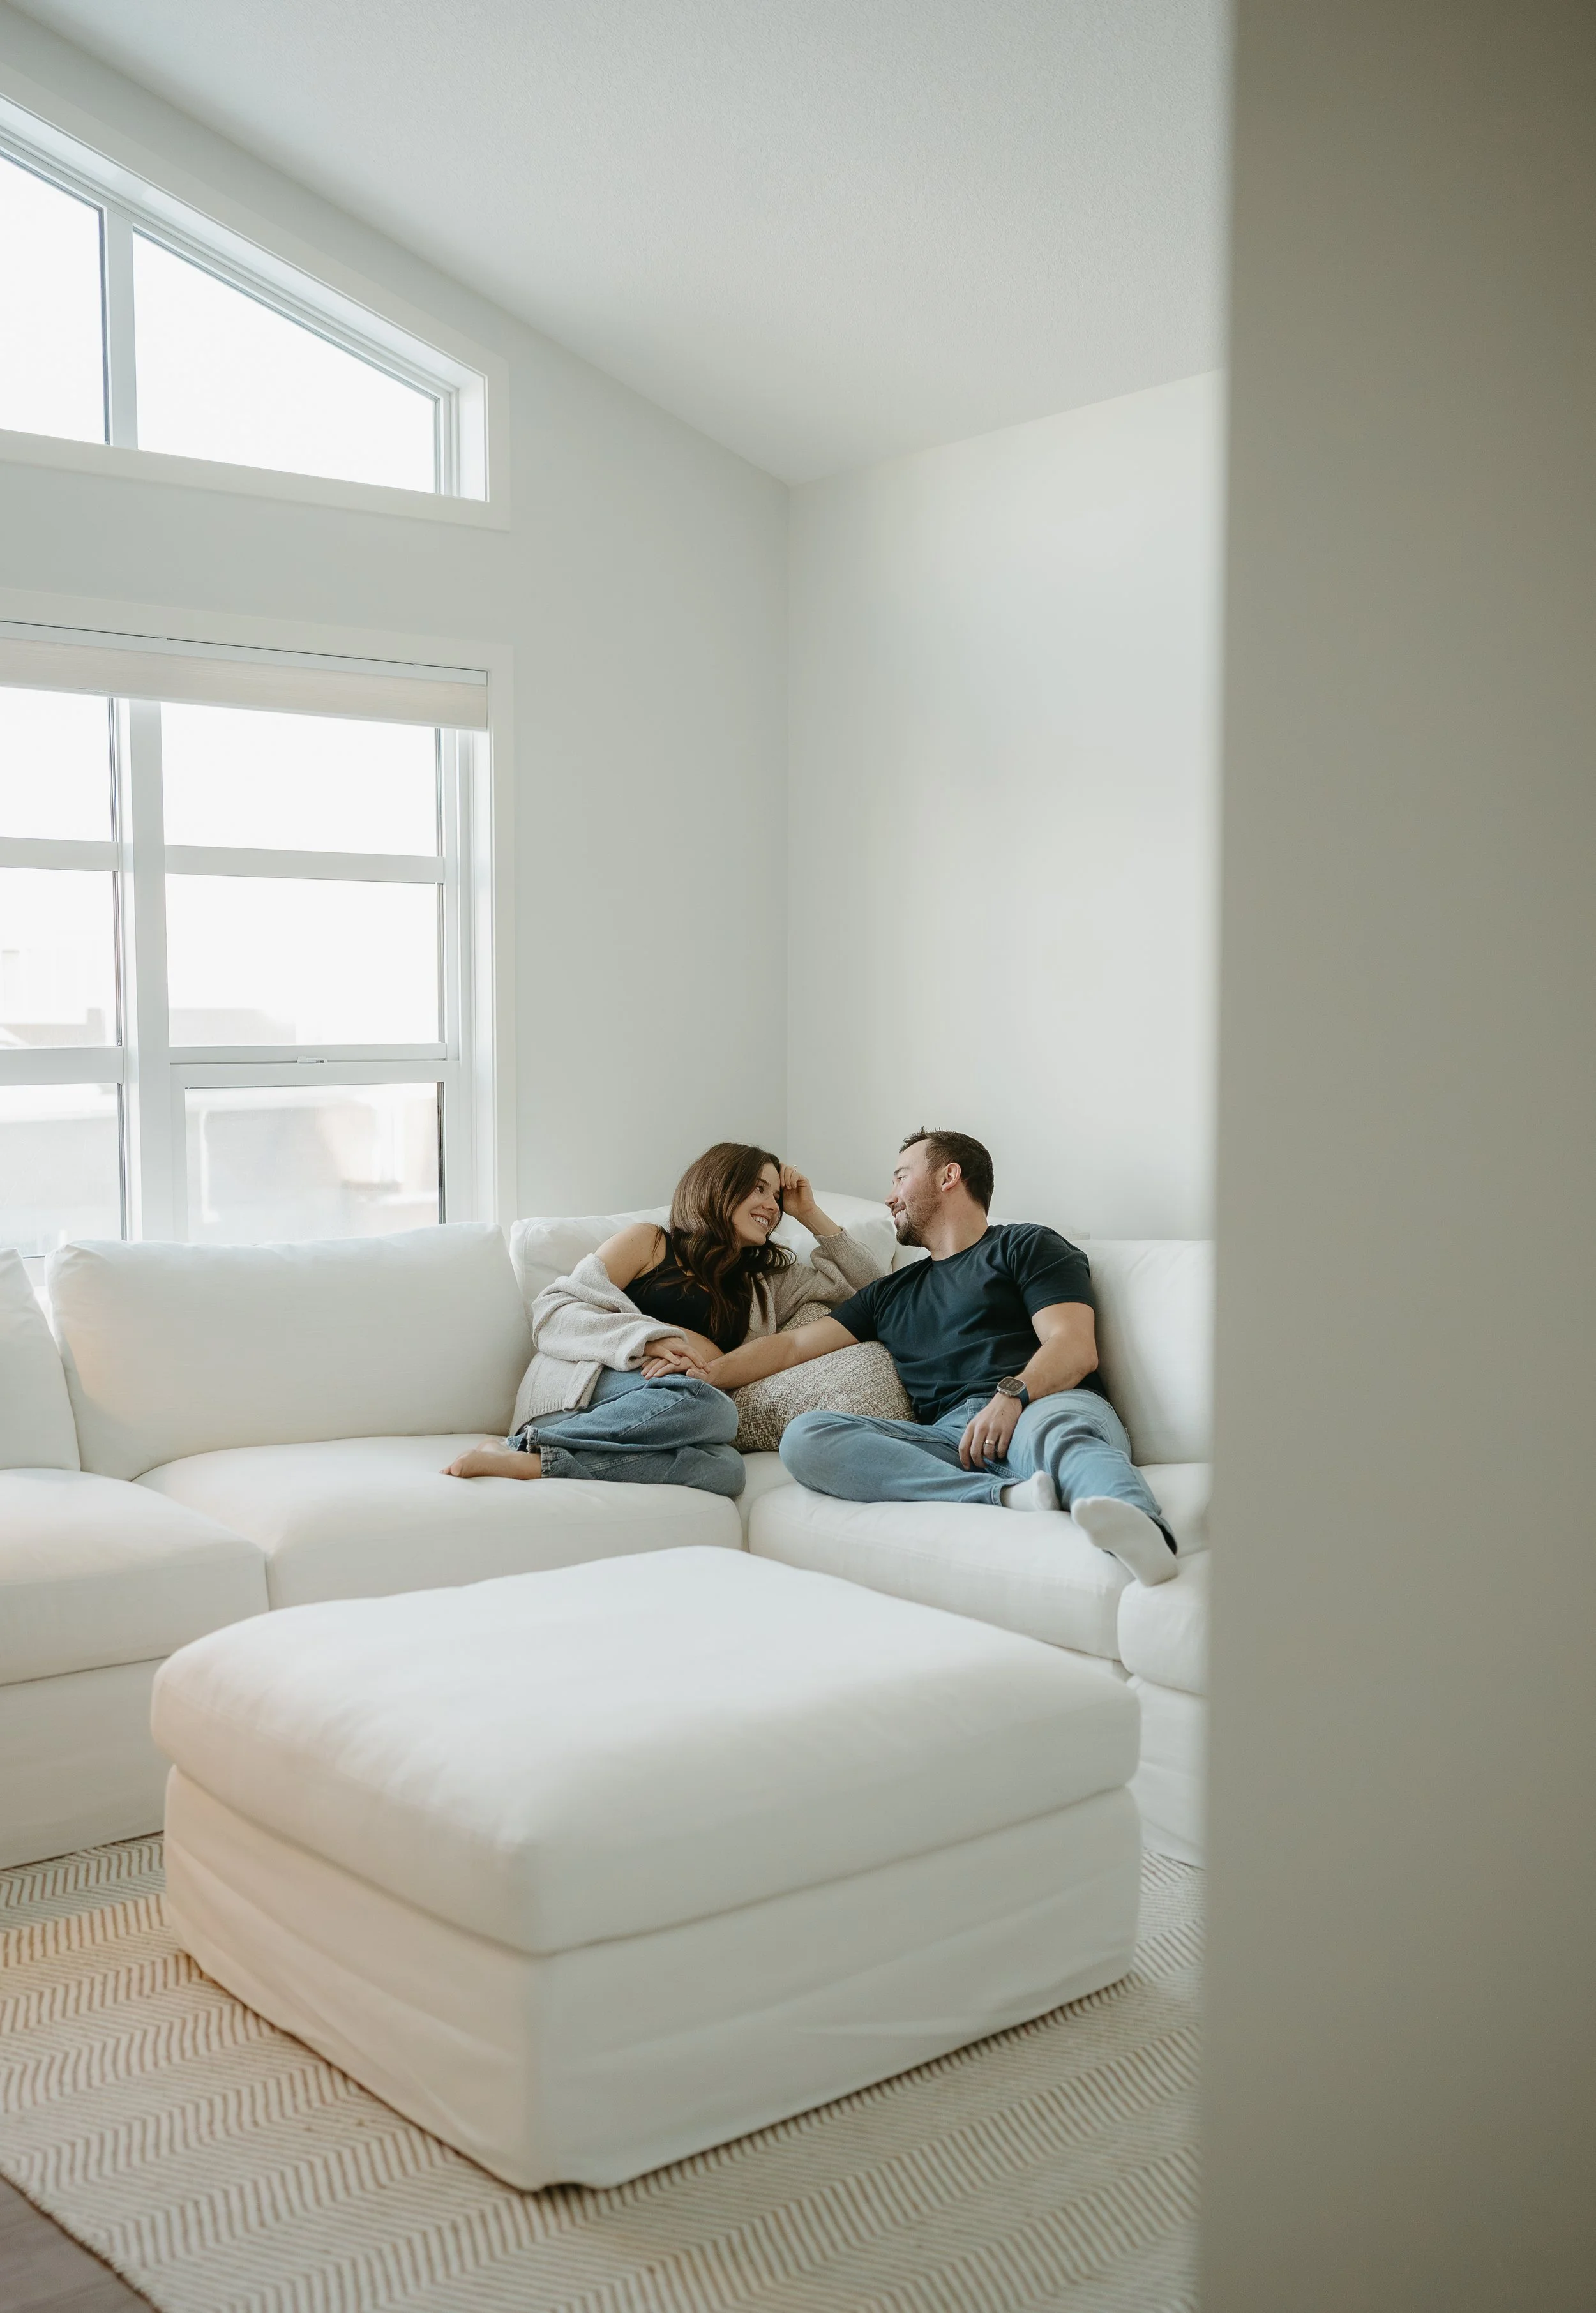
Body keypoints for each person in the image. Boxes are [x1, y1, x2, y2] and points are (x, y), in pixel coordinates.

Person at [701, 1128, 1178, 1583]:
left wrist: (1010, 1397)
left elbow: (1073, 1347)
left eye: (901, 1176)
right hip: (952, 1440)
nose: (890, 1195)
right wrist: (706, 1373)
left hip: (1040, 1405)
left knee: (1062, 1434)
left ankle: (1142, 1532)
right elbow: (791, 1346)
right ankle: (1007, 1496)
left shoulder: (1026, 1245)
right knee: (808, 1437)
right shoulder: (891, 1293)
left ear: (949, 1176)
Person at [443, 1143, 883, 1496]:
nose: (772, 1205)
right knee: (714, 1409)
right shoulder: (650, 1242)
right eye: (758, 1189)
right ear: (718, 1186)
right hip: (588, 1388)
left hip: (667, 1408)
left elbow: (874, 1296)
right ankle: (528, 1441)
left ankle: (534, 1459)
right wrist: (649, 1340)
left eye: (777, 1196)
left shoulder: (769, 1282)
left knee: (726, 1469)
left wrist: (809, 1211)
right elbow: (554, 1311)